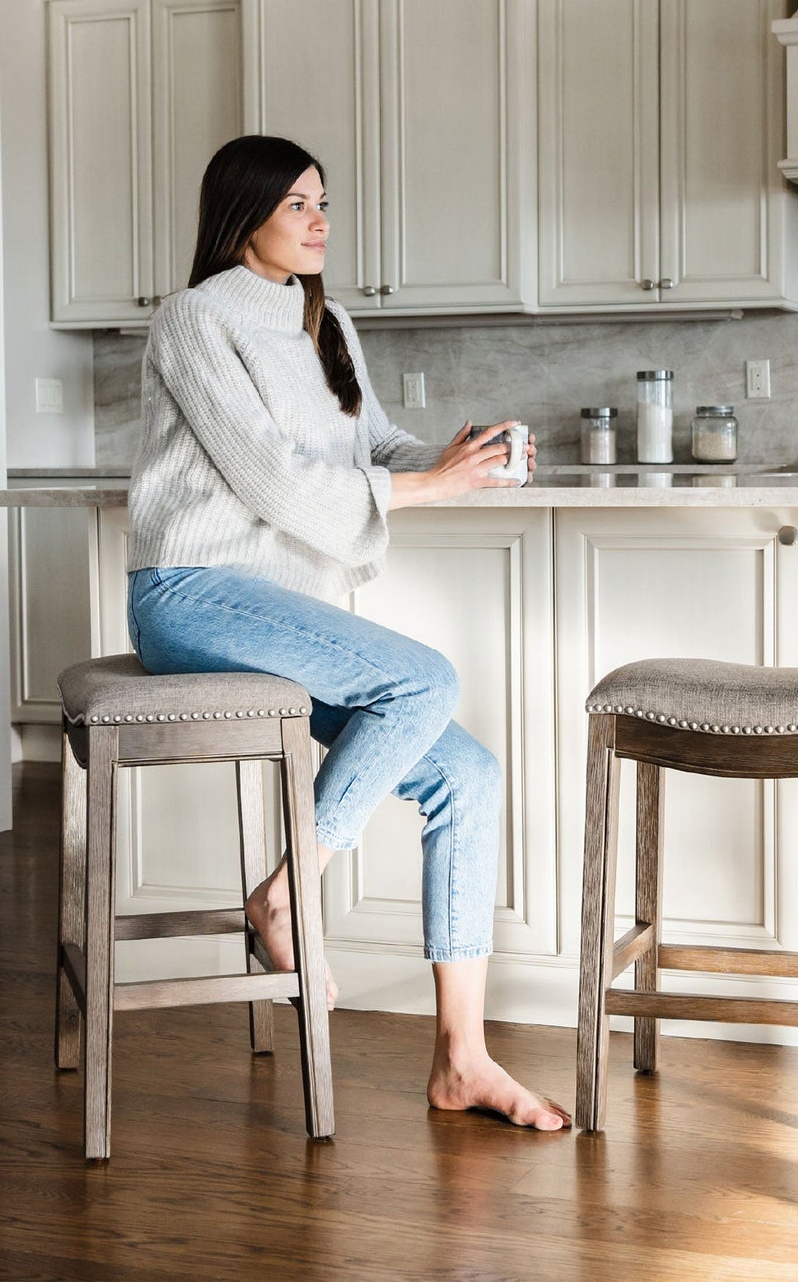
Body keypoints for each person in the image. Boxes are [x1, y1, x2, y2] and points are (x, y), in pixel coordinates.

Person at [124, 133, 569, 1132]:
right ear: (244, 216)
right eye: (297, 204)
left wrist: (463, 453)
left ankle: (461, 1058)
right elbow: (272, 479)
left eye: (323, 201)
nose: (320, 219)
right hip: (193, 593)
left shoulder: (327, 319)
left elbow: (371, 448)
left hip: (277, 613)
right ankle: (286, 894)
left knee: (469, 773)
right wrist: (426, 485)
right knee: (421, 679)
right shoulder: (193, 321)